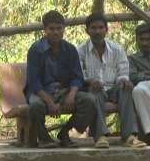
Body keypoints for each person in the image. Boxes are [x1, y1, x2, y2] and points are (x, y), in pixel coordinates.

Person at [24, 10, 99, 148]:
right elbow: (34, 82)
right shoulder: (36, 50)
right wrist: (50, 102)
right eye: (51, 29)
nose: (56, 32)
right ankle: (44, 138)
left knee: (89, 101)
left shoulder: (70, 49)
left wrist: (71, 94)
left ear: (64, 29)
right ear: (45, 30)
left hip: (64, 91)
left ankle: (64, 133)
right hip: (42, 92)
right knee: (35, 106)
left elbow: (77, 77)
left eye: (59, 28)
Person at [77, 13, 147, 149]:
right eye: (93, 28)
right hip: (93, 88)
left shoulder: (116, 49)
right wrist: (90, 81)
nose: (97, 31)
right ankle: (100, 136)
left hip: (113, 88)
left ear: (106, 29)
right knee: (93, 91)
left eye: (100, 27)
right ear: (87, 30)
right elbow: (79, 74)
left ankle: (129, 136)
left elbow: (123, 71)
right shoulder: (80, 50)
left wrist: (123, 80)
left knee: (126, 88)